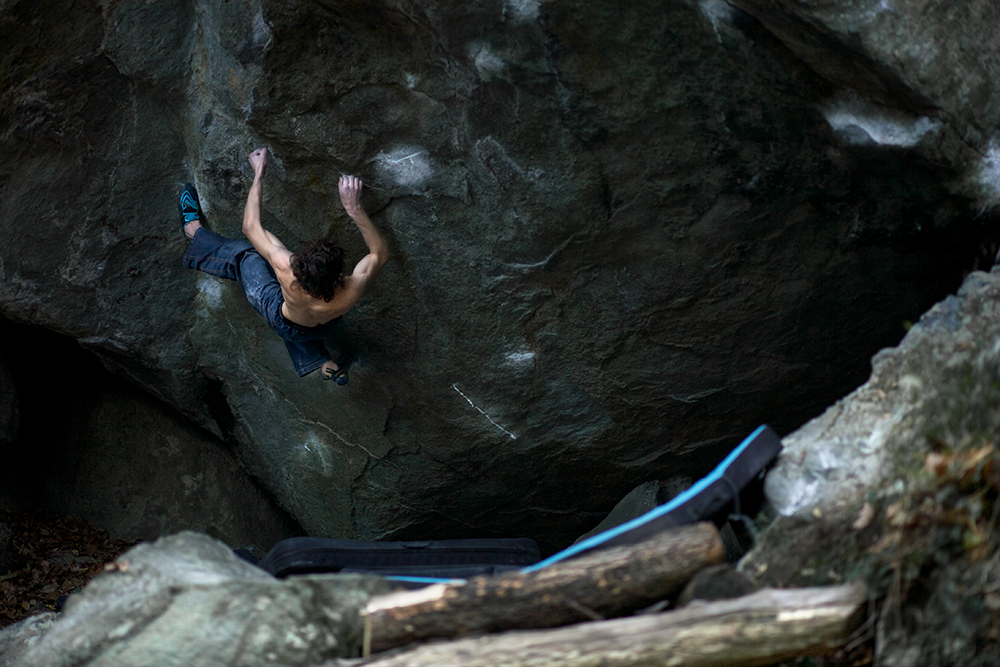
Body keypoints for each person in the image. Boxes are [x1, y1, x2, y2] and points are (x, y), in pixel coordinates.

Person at [179, 147, 388, 383]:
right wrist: (355, 209)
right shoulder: (351, 290)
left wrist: (259, 172)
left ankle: (193, 231)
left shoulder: (287, 270)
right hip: (325, 325)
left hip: (285, 320)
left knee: (247, 256)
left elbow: (250, 227)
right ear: (339, 274)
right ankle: (327, 366)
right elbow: (379, 253)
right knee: (305, 329)